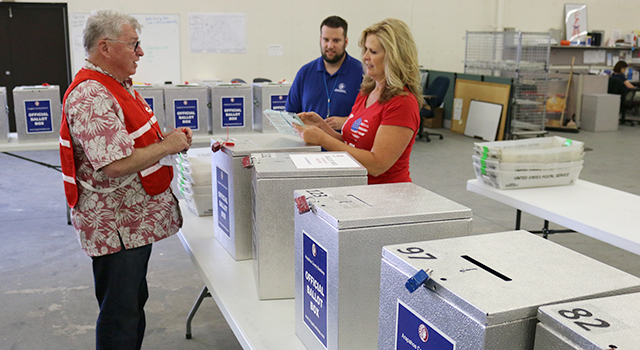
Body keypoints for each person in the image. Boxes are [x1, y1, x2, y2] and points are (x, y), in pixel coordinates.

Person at [58, 10, 192, 350]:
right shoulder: (91, 95)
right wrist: (170, 145)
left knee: (131, 303)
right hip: (115, 228)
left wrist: (165, 141)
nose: (140, 53)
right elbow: (114, 165)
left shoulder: (115, 86)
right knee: (120, 314)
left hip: (130, 226)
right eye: (134, 45)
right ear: (105, 47)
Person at [294, 18, 422, 184]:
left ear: (394, 58)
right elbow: (351, 144)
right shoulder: (367, 92)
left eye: (373, 52)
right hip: (357, 188)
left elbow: (377, 165)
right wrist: (323, 128)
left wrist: (323, 139)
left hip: (386, 194)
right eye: (366, 49)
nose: (365, 57)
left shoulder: (402, 103)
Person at [285, 15, 363, 130]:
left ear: (345, 42)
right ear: (320, 39)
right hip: (309, 146)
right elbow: (289, 115)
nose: (330, 46)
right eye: (326, 40)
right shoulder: (305, 73)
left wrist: (348, 121)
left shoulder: (362, 73)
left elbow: (372, 119)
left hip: (346, 146)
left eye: (336, 41)